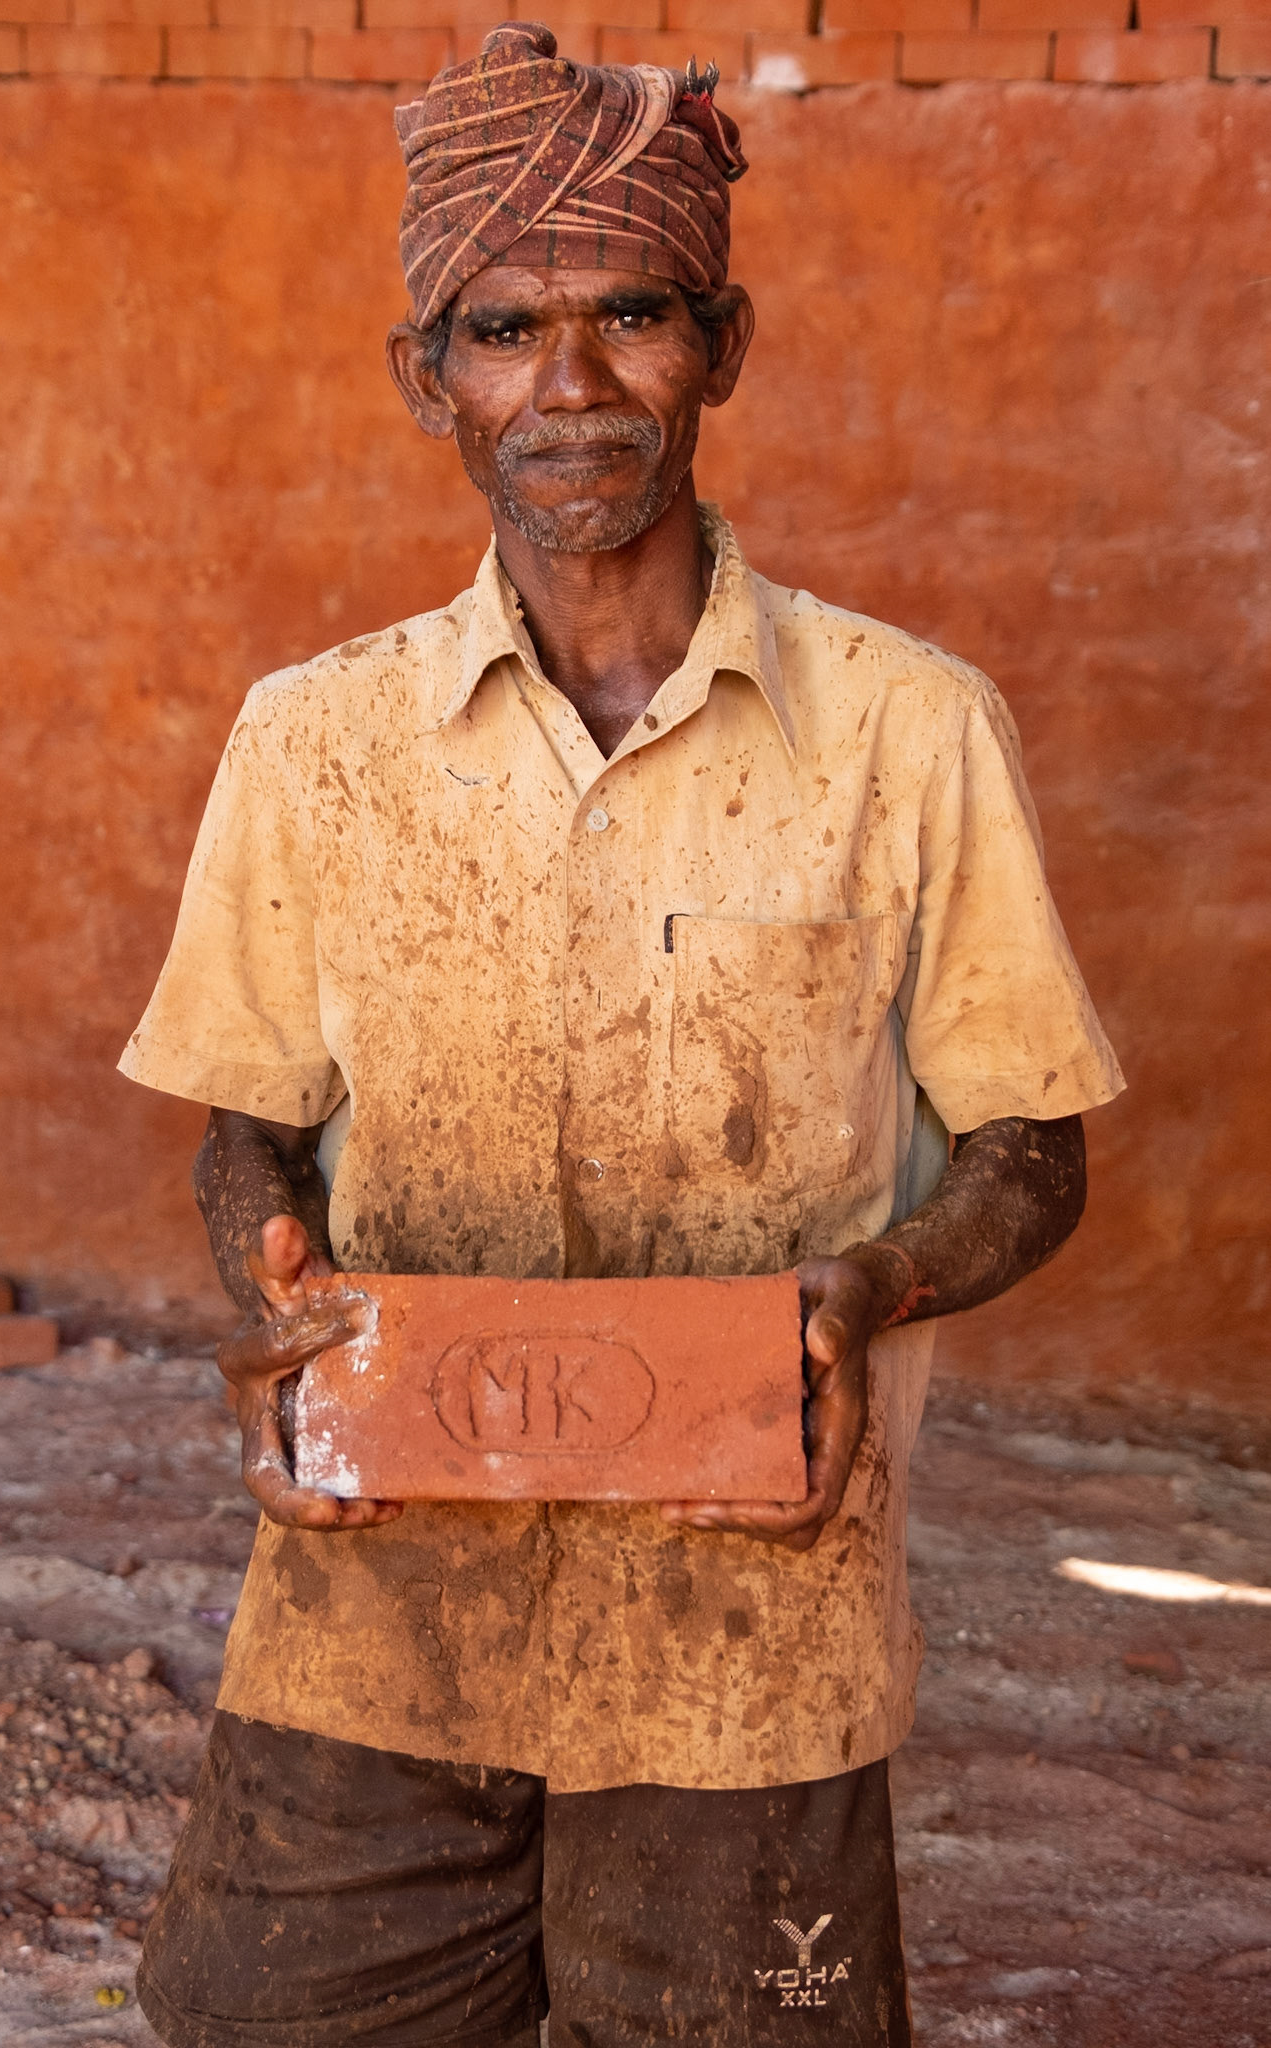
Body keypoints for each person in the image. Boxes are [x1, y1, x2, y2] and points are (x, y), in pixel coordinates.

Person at [119, 22, 1123, 2047]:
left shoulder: (909, 731)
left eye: (628, 315)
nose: (568, 387)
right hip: (376, 1608)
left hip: (745, 1630)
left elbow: (1030, 1145)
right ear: (433, 380)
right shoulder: (311, 742)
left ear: (719, 344)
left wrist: (868, 1286)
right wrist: (281, 1294)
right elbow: (249, 1131)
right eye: (503, 328)